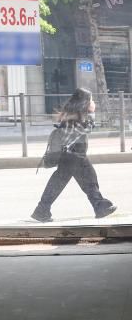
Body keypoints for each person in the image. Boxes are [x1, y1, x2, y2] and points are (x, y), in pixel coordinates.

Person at [31, 88, 117, 222]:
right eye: (91, 100)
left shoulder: (71, 114)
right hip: (74, 155)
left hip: (71, 155)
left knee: (81, 180)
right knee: (83, 180)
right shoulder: (75, 116)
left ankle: (42, 210)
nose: (93, 102)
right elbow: (87, 129)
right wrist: (92, 112)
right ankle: (99, 206)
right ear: (85, 102)